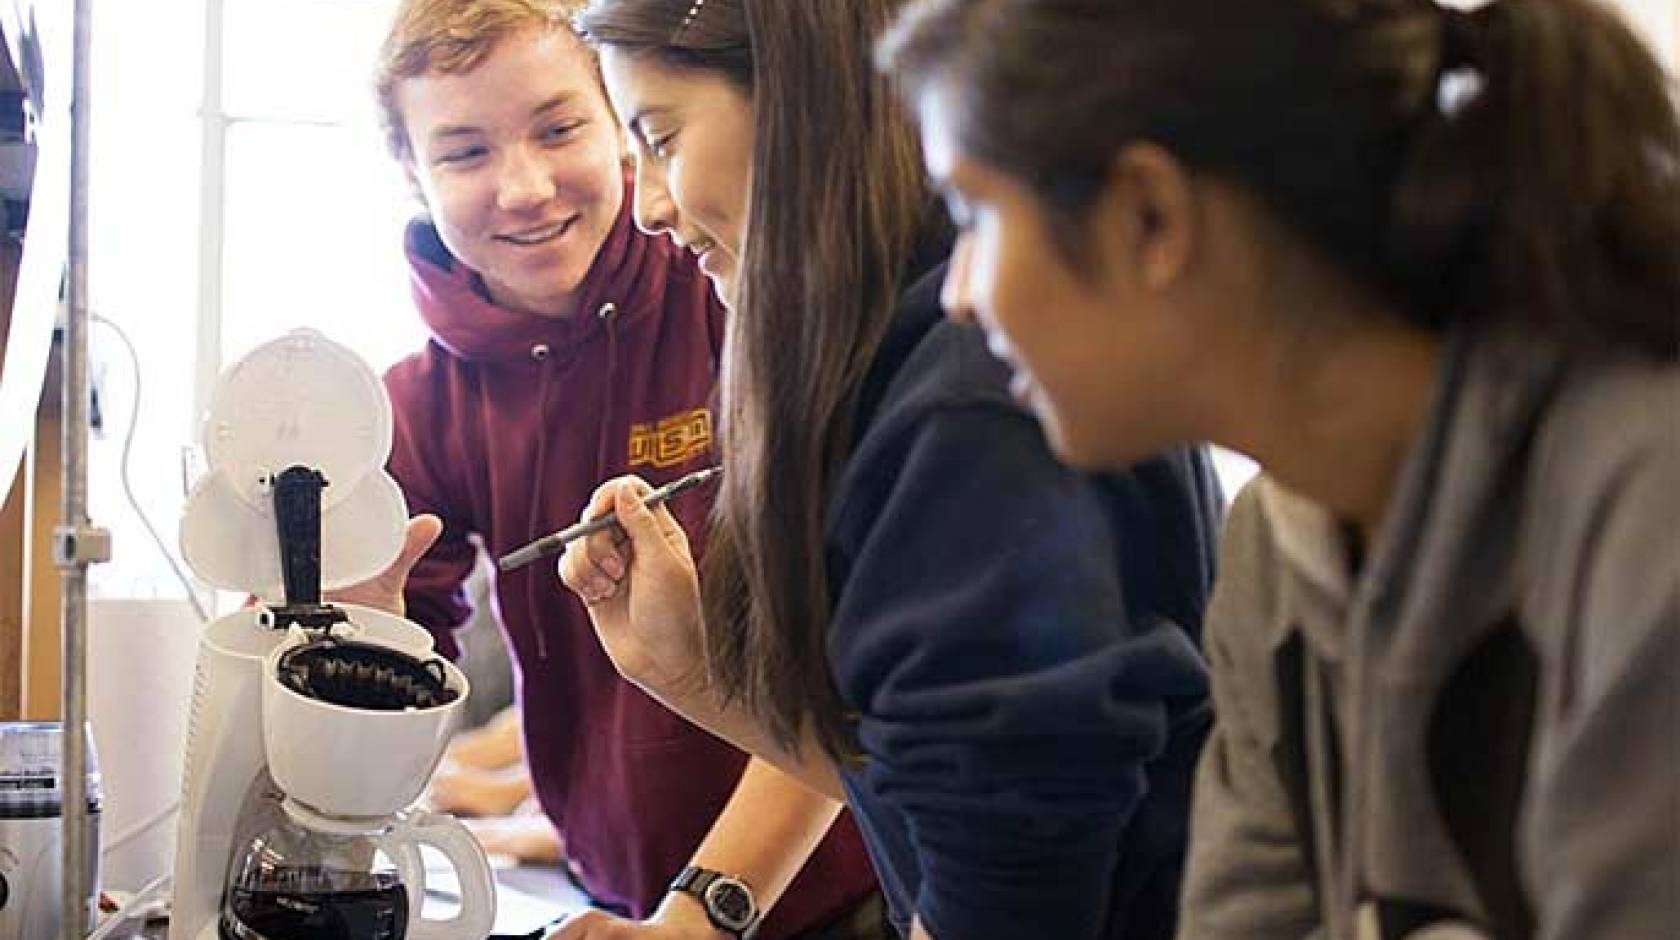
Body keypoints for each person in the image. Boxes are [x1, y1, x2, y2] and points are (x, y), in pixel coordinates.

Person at [876, 1, 1680, 938]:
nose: (961, 297)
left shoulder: (1643, 509)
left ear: (1150, 216)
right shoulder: (1274, 552)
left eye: (974, 215)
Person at [560, 2, 1224, 939]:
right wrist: (694, 677)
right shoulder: (899, 367)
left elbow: (1011, 899)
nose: (650, 208)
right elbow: (937, 803)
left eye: (661, 138)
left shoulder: (963, 410)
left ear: (798, 102)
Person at [354, 2, 887, 937]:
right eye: (465, 153)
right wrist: (356, 652)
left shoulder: (732, 288)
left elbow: (848, 676)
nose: (523, 187)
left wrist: (702, 916)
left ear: (624, 124)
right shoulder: (417, 404)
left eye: (559, 129)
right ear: (408, 170)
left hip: (836, 896)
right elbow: (389, 697)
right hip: (614, 900)